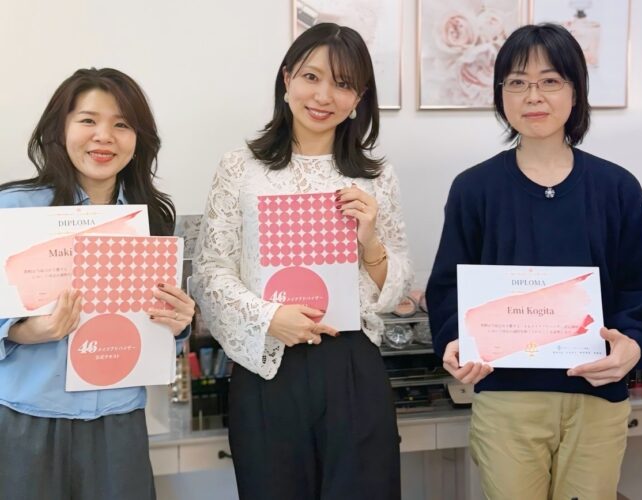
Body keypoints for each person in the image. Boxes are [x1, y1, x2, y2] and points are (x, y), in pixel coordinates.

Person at [426, 23, 642, 500]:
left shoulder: (617, 188)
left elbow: (641, 291)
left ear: (575, 92)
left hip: (596, 398)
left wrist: (634, 346)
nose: (533, 95)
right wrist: (454, 341)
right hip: (506, 399)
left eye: (550, 81)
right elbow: (448, 287)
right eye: (517, 82)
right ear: (501, 94)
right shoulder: (474, 189)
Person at [191, 23, 413, 500]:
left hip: (351, 364)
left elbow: (394, 288)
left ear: (359, 97)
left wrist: (370, 240)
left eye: (343, 83)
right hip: (269, 362)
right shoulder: (240, 167)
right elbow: (210, 271)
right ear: (287, 78)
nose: (324, 95)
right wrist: (268, 317)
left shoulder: (376, 176)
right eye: (311, 77)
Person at [0, 67, 194, 500]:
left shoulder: (153, 219)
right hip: (26, 420)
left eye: (122, 125)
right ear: (60, 128)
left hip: (117, 420)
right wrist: (28, 331)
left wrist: (180, 323)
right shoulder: (12, 210)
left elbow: (159, 332)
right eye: (88, 120)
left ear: (138, 139)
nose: (104, 136)